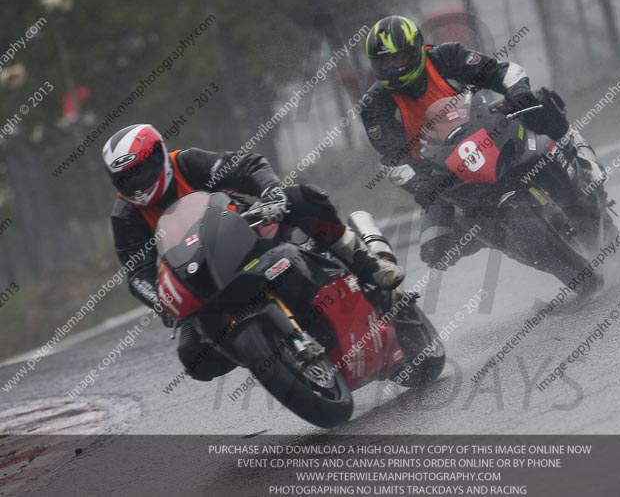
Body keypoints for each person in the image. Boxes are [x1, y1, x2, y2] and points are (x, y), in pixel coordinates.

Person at [103, 124, 404, 381]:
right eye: (127, 178)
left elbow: (247, 165)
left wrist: (271, 192)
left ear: (158, 155)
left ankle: (367, 263)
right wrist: (163, 304)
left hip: (246, 231)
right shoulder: (125, 216)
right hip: (200, 279)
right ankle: (270, 354)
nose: (137, 184)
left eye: (140, 171)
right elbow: (138, 274)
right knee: (193, 356)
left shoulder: (187, 163)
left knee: (303, 198)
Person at [360, 15, 606, 269]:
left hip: (487, 133)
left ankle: (581, 158)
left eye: (400, 58)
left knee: (538, 102)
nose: (395, 67)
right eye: (386, 62)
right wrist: (420, 183)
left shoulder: (447, 57)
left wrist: (518, 93)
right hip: (439, 172)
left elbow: (501, 71)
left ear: (416, 50)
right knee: (434, 249)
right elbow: (392, 159)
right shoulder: (374, 105)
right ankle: (504, 240)